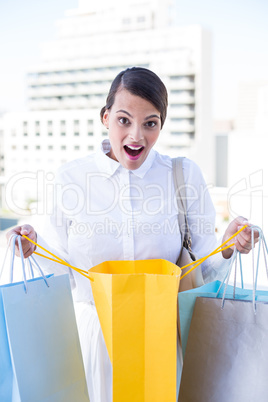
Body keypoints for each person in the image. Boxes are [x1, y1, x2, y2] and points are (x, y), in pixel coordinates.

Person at [7, 67, 258, 401]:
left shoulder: (182, 176)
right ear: (105, 117)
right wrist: (32, 247)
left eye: (150, 123)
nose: (136, 135)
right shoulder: (72, 179)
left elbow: (204, 267)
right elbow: (60, 270)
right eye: (124, 120)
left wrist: (230, 245)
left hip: (162, 341)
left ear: (161, 125)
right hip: (96, 343)